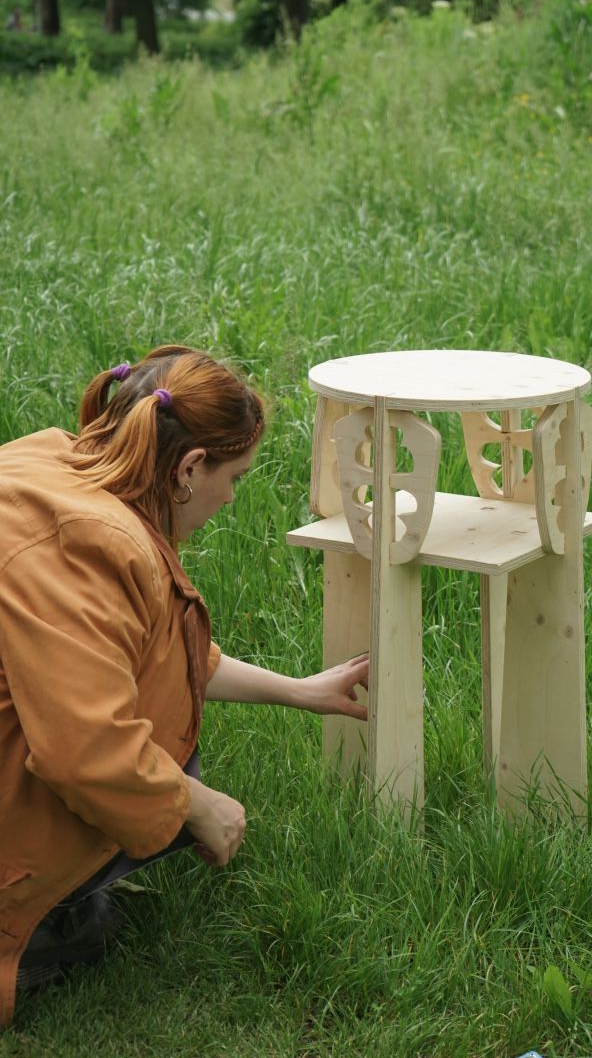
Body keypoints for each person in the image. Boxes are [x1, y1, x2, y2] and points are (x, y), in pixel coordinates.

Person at [0, 345, 369, 1027]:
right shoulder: (86, 546)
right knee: (158, 773)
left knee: (166, 750)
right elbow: (83, 750)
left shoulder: (51, 465)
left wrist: (300, 690)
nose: (231, 497)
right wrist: (198, 805)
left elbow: (156, 655)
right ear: (190, 468)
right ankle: (40, 924)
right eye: (235, 477)